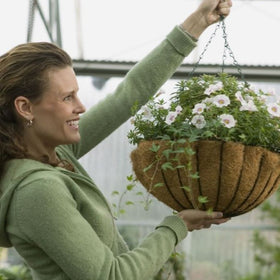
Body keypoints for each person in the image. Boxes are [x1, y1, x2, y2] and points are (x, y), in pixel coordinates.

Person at [0, 0, 232, 279]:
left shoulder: (58, 154)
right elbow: (113, 276)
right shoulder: (37, 190)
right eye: (66, 97)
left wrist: (197, 22)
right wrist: (176, 225)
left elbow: (128, 95)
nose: (81, 107)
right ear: (25, 107)